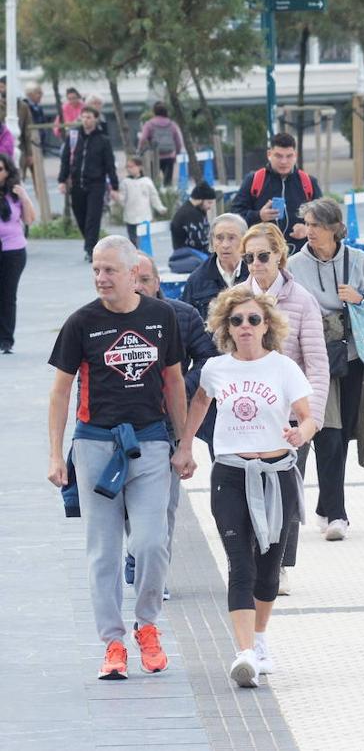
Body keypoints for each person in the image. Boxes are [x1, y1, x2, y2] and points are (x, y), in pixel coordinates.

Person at [47, 235, 186, 681]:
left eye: (109, 270)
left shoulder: (161, 316)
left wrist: (184, 443)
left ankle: (147, 625)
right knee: (103, 552)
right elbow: (60, 392)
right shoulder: (81, 323)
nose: (101, 278)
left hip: (150, 443)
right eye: (96, 270)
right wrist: (56, 455)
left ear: (133, 274)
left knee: (151, 542)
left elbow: (174, 382)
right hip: (95, 446)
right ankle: (112, 641)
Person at [172, 286, 316, 688]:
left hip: (277, 474)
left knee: (269, 569)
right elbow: (199, 403)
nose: (246, 326)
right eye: (237, 320)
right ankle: (245, 652)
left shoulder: (283, 368)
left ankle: (260, 638)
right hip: (231, 474)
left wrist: (300, 433)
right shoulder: (216, 368)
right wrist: (186, 445)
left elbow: (308, 416)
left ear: (267, 324)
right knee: (240, 563)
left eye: (254, 319)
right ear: (226, 327)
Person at [237, 223, 329, 594]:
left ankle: (279, 567)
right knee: (246, 491)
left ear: (279, 255)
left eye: (263, 256)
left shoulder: (302, 300)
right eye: (249, 258)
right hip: (246, 414)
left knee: (284, 492)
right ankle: (248, 563)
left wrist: (312, 419)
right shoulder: (236, 299)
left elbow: (317, 364)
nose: (256, 264)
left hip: (289, 417)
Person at [287, 198, 364, 542]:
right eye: (307, 224)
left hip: (353, 354)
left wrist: (359, 299)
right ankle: (336, 514)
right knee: (328, 431)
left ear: (334, 228)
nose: (309, 231)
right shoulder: (295, 265)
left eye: (316, 225)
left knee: (343, 434)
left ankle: (324, 505)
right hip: (315, 357)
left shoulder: (358, 260)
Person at [130, 253, 219, 595]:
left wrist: (179, 385)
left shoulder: (182, 315)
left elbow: (208, 357)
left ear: (158, 282)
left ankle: (156, 576)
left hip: (167, 424)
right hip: (122, 428)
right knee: (128, 508)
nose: (139, 287)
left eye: (145, 280)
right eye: (133, 279)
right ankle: (138, 553)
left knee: (163, 505)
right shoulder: (103, 319)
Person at [230, 133, 323, 253]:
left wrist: (308, 229)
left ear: (295, 155)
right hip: (262, 255)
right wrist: (258, 216)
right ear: (269, 154)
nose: (284, 161)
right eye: (278, 156)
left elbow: (324, 219)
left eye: (289, 156)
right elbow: (234, 216)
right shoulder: (254, 180)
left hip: (301, 254)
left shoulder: (308, 182)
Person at [57, 107, 118, 260]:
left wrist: (114, 186)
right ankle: (92, 243)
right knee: (80, 216)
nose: (86, 120)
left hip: (96, 184)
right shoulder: (73, 136)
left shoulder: (103, 140)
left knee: (93, 217)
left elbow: (110, 164)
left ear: (95, 119)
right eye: (83, 117)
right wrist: (62, 180)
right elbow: (65, 159)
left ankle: (91, 249)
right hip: (77, 183)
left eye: (89, 117)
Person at [0, 154, 35, 354]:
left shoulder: (14, 193)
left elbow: (29, 219)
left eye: (0, 169)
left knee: (7, 295)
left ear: (7, 172)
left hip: (13, 250)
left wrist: (24, 197)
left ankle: (6, 340)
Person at [184, 214, 250, 320]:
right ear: (212, 242)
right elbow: (186, 322)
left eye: (231, 238)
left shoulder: (255, 272)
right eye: (219, 238)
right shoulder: (196, 280)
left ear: (244, 240)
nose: (225, 245)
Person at [114, 156, 167, 246]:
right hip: (130, 217)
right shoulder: (125, 182)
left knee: (144, 241)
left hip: (144, 217)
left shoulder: (146, 181)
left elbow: (154, 196)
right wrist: (116, 197)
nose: (129, 169)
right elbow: (122, 198)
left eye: (132, 166)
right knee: (133, 241)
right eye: (127, 167)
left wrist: (160, 208)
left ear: (139, 167)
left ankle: (144, 254)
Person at [137, 103, 185, 188]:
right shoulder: (172, 124)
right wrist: (176, 153)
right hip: (169, 156)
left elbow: (143, 139)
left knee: (153, 182)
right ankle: (169, 195)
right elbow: (178, 142)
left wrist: (140, 151)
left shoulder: (149, 124)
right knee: (168, 182)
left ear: (154, 112)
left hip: (154, 157)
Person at [170, 181, 217, 254]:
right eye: (209, 202)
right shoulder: (190, 214)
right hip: (188, 255)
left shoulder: (196, 210)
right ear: (200, 200)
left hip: (190, 253)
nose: (210, 207)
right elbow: (199, 242)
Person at [18, 83, 48, 182]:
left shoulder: (38, 107)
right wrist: (28, 152)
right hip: (28, 145)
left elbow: (42, 124)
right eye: (38, 93)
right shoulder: (24, 106)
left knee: (39, 178)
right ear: (30, 94)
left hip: (38, 144)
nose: (41, 95)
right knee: (20, 177)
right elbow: (26, 128)